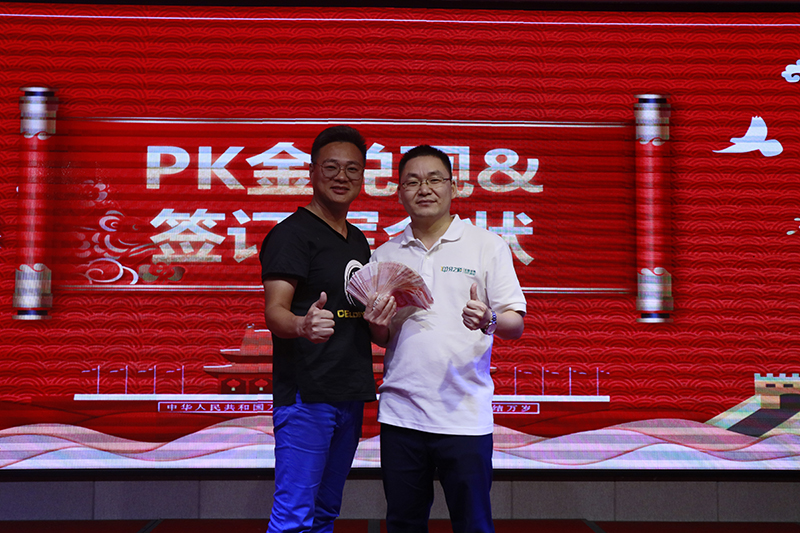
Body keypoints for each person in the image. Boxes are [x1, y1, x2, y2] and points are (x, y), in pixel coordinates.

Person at [368, 145, 527, 533]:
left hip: (464, 415)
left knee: (473, 525)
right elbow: (382, 337)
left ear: (454, 187)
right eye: (412, 181)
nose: (424, 189)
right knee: (403, 524)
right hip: (401, 415)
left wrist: (489, 319)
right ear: (399, 192)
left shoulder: (486, 245)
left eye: (434, 179)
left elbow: (515, 323)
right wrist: (375, 323)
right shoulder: (385, 254)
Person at [259, 125, 376, 533]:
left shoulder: (358, 241)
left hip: (351, 392)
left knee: (325, 512)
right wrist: (302, 324)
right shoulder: (290, 235)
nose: (342, 177)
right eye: (331, 167)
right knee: (294, 517)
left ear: (363, 176)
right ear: (311, 172)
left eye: (352, 169)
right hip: (306, 395)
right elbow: (275, 312)